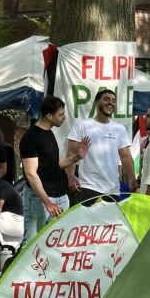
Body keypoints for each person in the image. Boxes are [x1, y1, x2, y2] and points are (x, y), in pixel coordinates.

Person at [21, 95, 90, 242]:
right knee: (32, 244)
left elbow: (53, 163)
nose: (64, 118)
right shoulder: (30, 137)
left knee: (55, 243)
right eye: (61, 114)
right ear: (49, 116)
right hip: (40, 199)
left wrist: (76, 157)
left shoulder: (49, 133)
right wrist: (47, 202)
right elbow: (30, 173)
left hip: (60, 196)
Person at [66, 88, 136, 202]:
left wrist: (132, 179)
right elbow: (71, 152)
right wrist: (70, 176)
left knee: (110, 221)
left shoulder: (119, 129)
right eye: (106, 99)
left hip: (112, 190)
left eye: (114, 101)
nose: (110, 103)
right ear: (96, 102)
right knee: (86, 220)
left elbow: (126, 157)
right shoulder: (82, 125)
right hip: (87, 187)